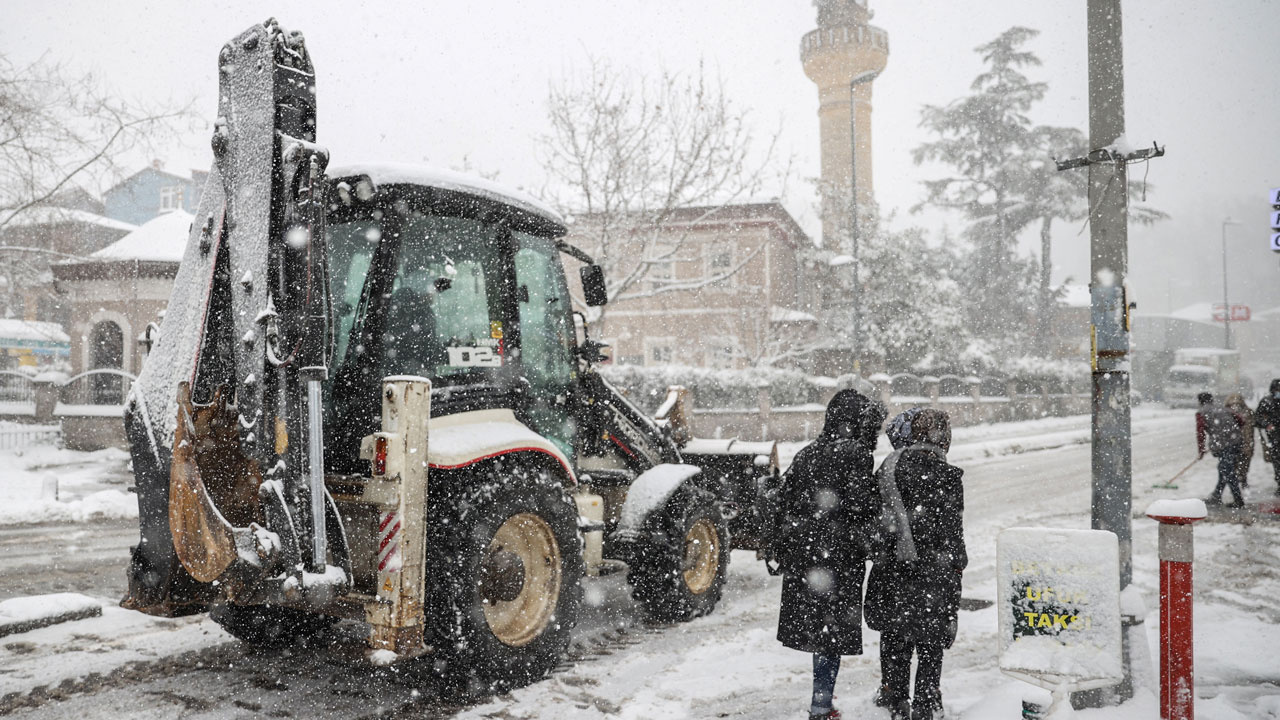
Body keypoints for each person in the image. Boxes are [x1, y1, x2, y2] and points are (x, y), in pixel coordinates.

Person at [771, 389, 884, 720]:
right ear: (856, 422)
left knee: (820, 633)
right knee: (830, 634)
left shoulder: (808, 453)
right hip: (838, 555)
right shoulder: (856, 455)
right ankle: (821, 704)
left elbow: (785, 499)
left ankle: (821, 702)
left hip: (806, 555)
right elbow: (863, 506)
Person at [865, 408, 966, 720]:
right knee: (930, 639)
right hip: (935, 571)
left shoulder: (888, 469)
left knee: (895, 636)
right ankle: (926, 701)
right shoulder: (947, 474)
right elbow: (952, 532)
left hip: (894, 568)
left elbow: (875, 523)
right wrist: (956, 564)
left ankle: (895, 699)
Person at [1196, 392, 1246, 507]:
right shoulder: (1223, 408)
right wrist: (1229, 431)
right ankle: (1216, 496)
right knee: (1224, 468)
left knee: (1227, 470)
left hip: (1223, 444)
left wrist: (1201, 450)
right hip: (1236, 441)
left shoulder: (1201, 412)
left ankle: (1238, 501)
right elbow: (1241, 421)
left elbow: (1200, 433)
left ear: (1200, 402)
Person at [1224, 393, 1255, 488]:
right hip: (1242, 442)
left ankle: (1239, 480)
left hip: (1238, 442)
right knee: (1241, 462)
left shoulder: (1227, 412)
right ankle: (1241, 480)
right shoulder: (1247, 412)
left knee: (1239, 463)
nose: (1235, 405)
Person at [1256, 379, 1280, 495]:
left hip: (1275, 436)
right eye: (1277, 390)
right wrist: (1267, 425)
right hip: (1274, 437)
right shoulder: (1267, 401)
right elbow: (1258, 418)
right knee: (1277, 461)